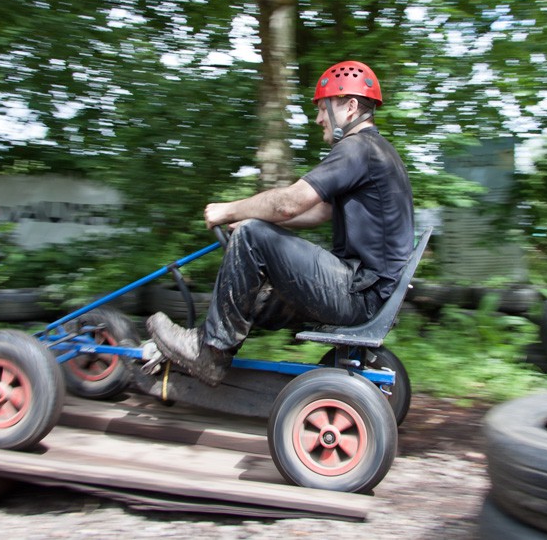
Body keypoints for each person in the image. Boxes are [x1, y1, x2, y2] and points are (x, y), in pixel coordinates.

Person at [145, 60, 415, 386]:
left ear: (350, 106)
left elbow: (289, 204)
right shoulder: (377, 152)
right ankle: (193, 346)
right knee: (257, 295)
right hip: (369, 293)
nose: (318, 119)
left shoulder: (358, 149)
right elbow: (318, 212)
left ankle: (209, 352)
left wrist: (230, 212)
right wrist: (253, 218)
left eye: (323, 108)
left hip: (360, 295)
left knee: (252, 235)